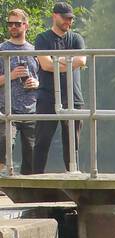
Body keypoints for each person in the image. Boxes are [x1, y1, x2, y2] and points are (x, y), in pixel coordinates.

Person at [32, 2, 86, 174]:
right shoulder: (42, 38)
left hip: (73, 96)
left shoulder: (76, 38)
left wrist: (57, 61)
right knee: (42, 141)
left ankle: (74, 177)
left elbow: (81, 61)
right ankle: (36, 180)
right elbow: (46, 65)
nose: (68, 22)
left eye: (71, 19)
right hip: (47, 97)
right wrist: (69, 61)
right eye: (65, 18)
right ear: (54, 15)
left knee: (73, 144)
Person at [0, 9, 39, 175]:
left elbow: (45, 77)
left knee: (32, 154)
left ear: (26, 25)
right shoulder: (2, 49)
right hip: (6, 109)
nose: (13, 27)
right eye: (10, 24)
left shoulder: (35, 50)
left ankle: (29, 188)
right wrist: (10, 75)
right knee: (4, 146)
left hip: (31, 110)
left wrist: (37, 83)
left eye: (17, 23)